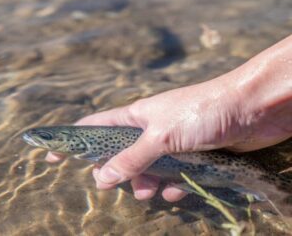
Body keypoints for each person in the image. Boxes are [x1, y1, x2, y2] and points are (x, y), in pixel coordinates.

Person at [46, 34, 292, 202]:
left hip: (228, 167)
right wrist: (248, 102)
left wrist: (242, 102)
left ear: (79, 145)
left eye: (48, 138)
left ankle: (277, 189)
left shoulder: (95, 146)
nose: (42, 140)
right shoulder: (93, 141)